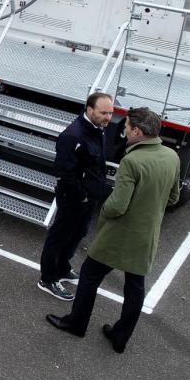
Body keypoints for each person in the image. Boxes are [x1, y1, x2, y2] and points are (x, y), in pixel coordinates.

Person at [46, 107, 181, 352]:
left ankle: (77, 323)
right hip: (147, 235)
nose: (124, 132)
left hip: (119, 234)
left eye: (127, 127)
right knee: (135, 287)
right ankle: (120, 336)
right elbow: (173, 199)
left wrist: (103, 213)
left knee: (89, 275)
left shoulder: (132, 161)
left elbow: (118, 205)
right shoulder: (172, 157)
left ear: (138, 131)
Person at [38, 91, 114, 301]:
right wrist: (81, 195)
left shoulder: (98, 129)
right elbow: (64, 171)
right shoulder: (72, 136)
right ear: (89, 110)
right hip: (74, 198)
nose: (108, 117)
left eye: (110, 112)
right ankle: (48, 278)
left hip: (89, 197)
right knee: (60, 237)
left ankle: (63, 268)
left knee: (78, 234)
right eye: (103, 112)